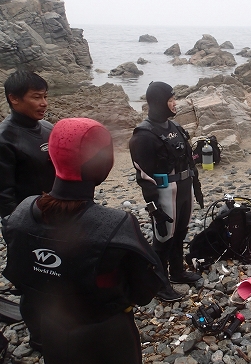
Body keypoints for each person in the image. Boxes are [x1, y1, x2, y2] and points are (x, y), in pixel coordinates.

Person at [2, 117, 167, 363]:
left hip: (53, 331)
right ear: (101, 164)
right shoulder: (116, 225)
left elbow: (19, 275)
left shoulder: (21, 213)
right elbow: (145, 289)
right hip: (107, 335)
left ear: (53, 157)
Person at [129, 81, 204, 302]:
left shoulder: (175, 127)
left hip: (184, 189)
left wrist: (197, 188)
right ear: (159, 103)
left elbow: (189, 161)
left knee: (180, 232)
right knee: (163, 238)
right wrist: (154, 208)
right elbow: (143, 177)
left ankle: (177, 272)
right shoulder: (143, 135)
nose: (175, 103)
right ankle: (160, 285)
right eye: (171, 100)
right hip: (165, 193)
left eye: (174, 99)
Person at [0, 70, 55, 221]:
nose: (44, 103)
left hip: (56, 212)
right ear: (14, 98)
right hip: (28, 218)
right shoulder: (5, 139)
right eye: (37, 97)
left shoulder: (48, 128)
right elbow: (4, 195)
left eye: (45, 96)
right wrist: (14, 224)